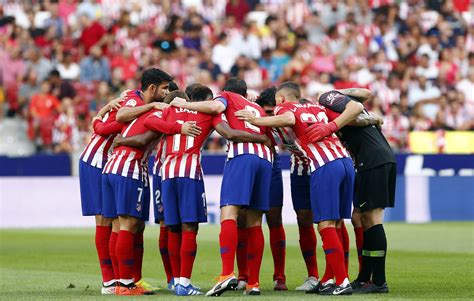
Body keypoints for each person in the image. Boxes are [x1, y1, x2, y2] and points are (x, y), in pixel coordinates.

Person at [236, 82, 364, 296]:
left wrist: (255, 119)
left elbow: (288, 119)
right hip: (344, 162)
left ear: (281, 99)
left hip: (324, 165)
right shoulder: (317, 107)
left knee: (325, 225)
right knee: (337, 222)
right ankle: (331, 279)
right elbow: (356, 108)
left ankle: (341, 281)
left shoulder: (286, 109)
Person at [169, 78, 273, 296]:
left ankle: (227, 274)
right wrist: (260, 138)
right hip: (266, 160)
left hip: (242, 155)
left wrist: (184, 104)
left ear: (226, 91)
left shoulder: (225, 98)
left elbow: (219, 112)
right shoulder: (256, 108)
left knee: (229, 213)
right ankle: (253, 283)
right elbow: (269, 137)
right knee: (255, 221)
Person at [101, 68, 185, 296]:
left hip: (112, 167)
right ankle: (126, 284)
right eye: (165, 88)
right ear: (152, 88)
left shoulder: (138, 108)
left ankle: (120, 282)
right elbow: (145, 137)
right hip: (128, 169)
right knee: (127, 225)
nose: (166, 92)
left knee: (119, 226)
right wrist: (181, 126)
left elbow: (121, 120)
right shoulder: (154, 113)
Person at [309, 88, 395, 294]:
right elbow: (361, 100)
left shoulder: (326, 99)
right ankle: (364, 277)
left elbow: (358, 103)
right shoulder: (344, 110)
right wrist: (371, 119)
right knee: (359, 217)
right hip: (374, 159)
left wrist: (330, 120)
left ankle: (379, 281)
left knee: (373, 218)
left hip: (373, 159)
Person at [241, 87, 319, 292]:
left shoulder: (293, 112)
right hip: (281, 162)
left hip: (318, 163)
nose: (269, 116)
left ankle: (298, 276)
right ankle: (248, 275)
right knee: (247, 216)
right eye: (265, 112)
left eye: (271, 112)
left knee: (279, 218)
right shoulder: (261, 112)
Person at [78, 96, 122, 295]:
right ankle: (108, 280)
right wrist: (103, 110)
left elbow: (97, 123)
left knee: (112, 219)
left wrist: (101, 111)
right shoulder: (123, 114)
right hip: (94, 162)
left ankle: (118, 277)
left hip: (104, 163)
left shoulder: (122, 110)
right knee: (105, 219)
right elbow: (100, 129)